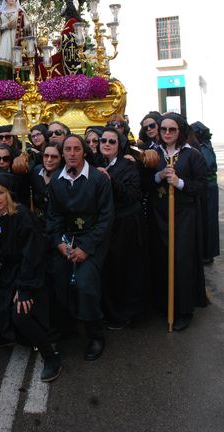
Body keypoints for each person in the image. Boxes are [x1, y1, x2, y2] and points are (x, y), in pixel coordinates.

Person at [0, 172, 61, 382]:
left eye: (1, 193)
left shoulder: (22, 215)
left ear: (8, 194)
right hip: (2, 276)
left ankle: (50, 357)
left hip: (27, 273)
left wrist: (24, 289)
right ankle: (3, 338)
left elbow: (33, 254)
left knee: (21, 312)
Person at [46, 135, 114, 360]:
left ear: (84, 152)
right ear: (62, 153)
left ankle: (95, 335)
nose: (72, 153)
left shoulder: (98, 179)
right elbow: (53, 216)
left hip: (93, 240)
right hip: (67, 239)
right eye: (68, 149)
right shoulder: (56, 180)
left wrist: (86, 248)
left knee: (85, 283)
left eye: (77, 149)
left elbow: (106, 218)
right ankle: (64, 327)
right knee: (57, 277)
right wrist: (59, 243)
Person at [149, 113, 207, 331]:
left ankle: (183, 310)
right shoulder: (154, 153)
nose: (167, 133)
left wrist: (179, 182)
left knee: (181, 260)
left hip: (184, 215)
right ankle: (165, 305)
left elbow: (201, 186)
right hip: (159, 214)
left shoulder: (192, 155)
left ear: (180, 131)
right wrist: (159, 176)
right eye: (163, 129)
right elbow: (146, 182)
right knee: (162, 258)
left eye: (172, 129)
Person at [97, 128, 148, 328]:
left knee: (127, 269)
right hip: (108, 224)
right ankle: (112, 311)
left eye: (112, 141)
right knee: (110, 269)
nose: (107, 144)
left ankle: (128, 314)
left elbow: (133, 195)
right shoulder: (97, 163)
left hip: (127, 224)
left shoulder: (128, 166)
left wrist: (111, 181)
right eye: (103, 140)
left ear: (119, 146)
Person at [190, 121, 220, 264]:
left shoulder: (204, 147)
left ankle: (208, 254)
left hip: (209, 187)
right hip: (207, 186)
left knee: (209, 220)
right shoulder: (204, 145)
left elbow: (207, 165)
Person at [0, 0, 32, 80]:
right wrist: (6, 25)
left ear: (16, 0)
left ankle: (18, 84)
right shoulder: (0, 14)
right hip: (4, 38)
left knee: (18, 60)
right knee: (2, 58)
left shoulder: (20, 12)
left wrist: (28, 26)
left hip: (17, 39)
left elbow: (27, 26)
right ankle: (1, 86)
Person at [50, 0, 83, 76]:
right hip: (64, 53)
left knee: (44, 65)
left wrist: (60, 39)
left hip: (68, 55)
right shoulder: (69, 21)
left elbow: (73, 36)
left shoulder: (73, 20)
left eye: (64, 5)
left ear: (68, 7)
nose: (62, 8)